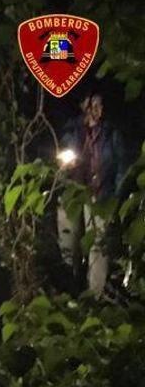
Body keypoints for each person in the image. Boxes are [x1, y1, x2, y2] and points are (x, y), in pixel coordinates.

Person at [56, 91, 131, 295]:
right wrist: (66, 166)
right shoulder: (73, 130)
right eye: (95, 105)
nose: (99, 110)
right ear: (85, 107)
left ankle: (94, 295)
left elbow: (121, 166)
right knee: (70, 241)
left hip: (101, 194)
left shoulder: (111, 133)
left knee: (98, 245)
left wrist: (115, 195)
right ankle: (70, 288)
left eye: (101, 105)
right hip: (74, 192)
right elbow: (62, 154)